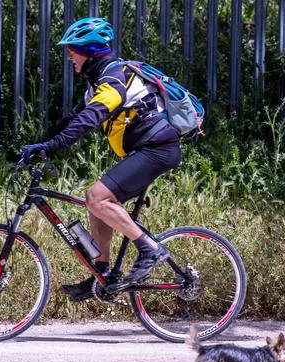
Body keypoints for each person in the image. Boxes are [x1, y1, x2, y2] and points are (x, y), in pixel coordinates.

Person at [21, 17, 182, 301]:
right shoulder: (98, 81)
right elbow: (72, 118)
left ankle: (150, 249)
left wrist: (55, 146)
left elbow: (91, 117)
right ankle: (103, 274)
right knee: (95, 202)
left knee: (98, 197)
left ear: (90, 49)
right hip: (145, 149)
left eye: (73, 50)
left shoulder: (113, 78)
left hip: (157, 149)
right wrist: (42, 144)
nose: (69, 56)